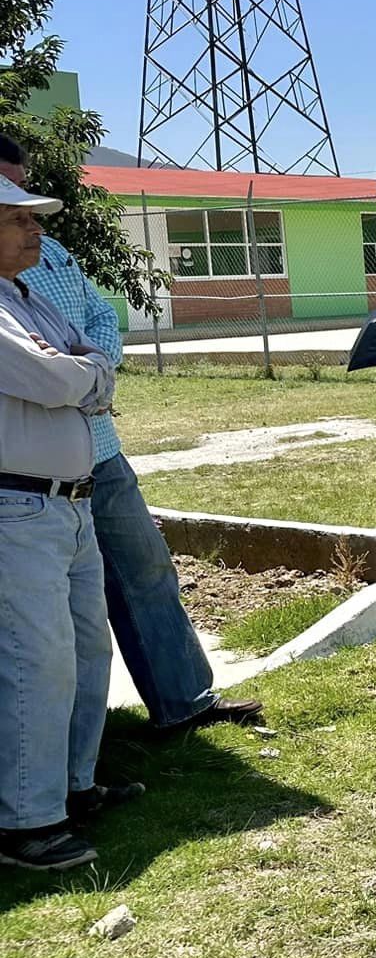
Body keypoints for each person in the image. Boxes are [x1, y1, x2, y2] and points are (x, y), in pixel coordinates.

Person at [0, 136, 261, 739]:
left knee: (145, 571)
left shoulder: (52, 252)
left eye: (22, 189)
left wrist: (92, 375)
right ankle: (57, 763)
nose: (25, 212)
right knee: (50, 623)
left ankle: (184, 699)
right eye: (8, 195)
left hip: (97, 448)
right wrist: (81, 374)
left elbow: (96, 321)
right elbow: (45, 370)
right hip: (30, 466)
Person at [0, 174, 123, 872]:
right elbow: (53, 382)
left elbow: (89, 360)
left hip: (69, 502)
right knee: (34, 661)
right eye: (18, 221)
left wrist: (79, 372)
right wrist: (77, 376)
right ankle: (27, 823)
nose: (35, 231)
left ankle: (74, 787)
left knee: (83, 649)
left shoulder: (27, 298)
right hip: (19, 506)